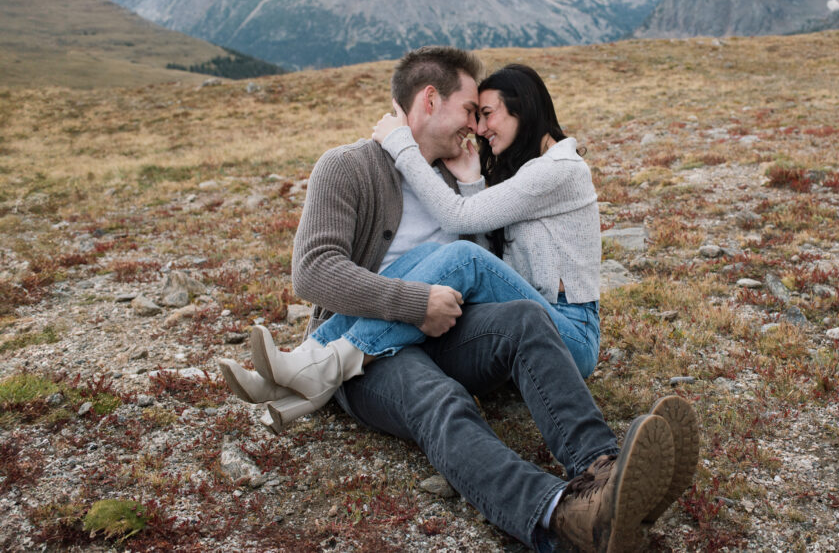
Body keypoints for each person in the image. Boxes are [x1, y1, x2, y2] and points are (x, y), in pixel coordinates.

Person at [219, 46, 699, 551]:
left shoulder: (453, 176)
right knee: (442, 400)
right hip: (366, 359)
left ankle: (604, 470)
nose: (475, 127)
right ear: (430, 100)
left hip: (449, 332)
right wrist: (413, 305)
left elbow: (488, 264)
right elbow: (313, 272)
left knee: (526, 320)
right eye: (471, 110)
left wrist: (471, 184)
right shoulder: (348, 167)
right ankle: (564, 518)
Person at [221, 64, 602, 429]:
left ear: (524, 107)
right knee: (429, 256)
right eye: (475, 114)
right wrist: (472, 181)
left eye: (487, 114)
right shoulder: (524, 172)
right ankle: (296, 372)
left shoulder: (559, 169)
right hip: (528, 323)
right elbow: (493, 255)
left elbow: (460, 221)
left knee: (462, 258)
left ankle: (323, 364)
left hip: (568, 332)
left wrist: (402, 145)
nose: (480, 128)